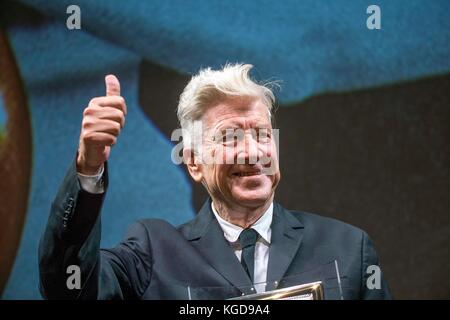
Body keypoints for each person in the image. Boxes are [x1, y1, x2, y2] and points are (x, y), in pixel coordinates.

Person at [39, 64, 392, 300]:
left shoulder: (348, 249)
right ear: (193, 162)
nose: (253, 152)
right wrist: (88, 166)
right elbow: (66, 290)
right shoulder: (152, 254)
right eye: (230, 138)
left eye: (262, 135)